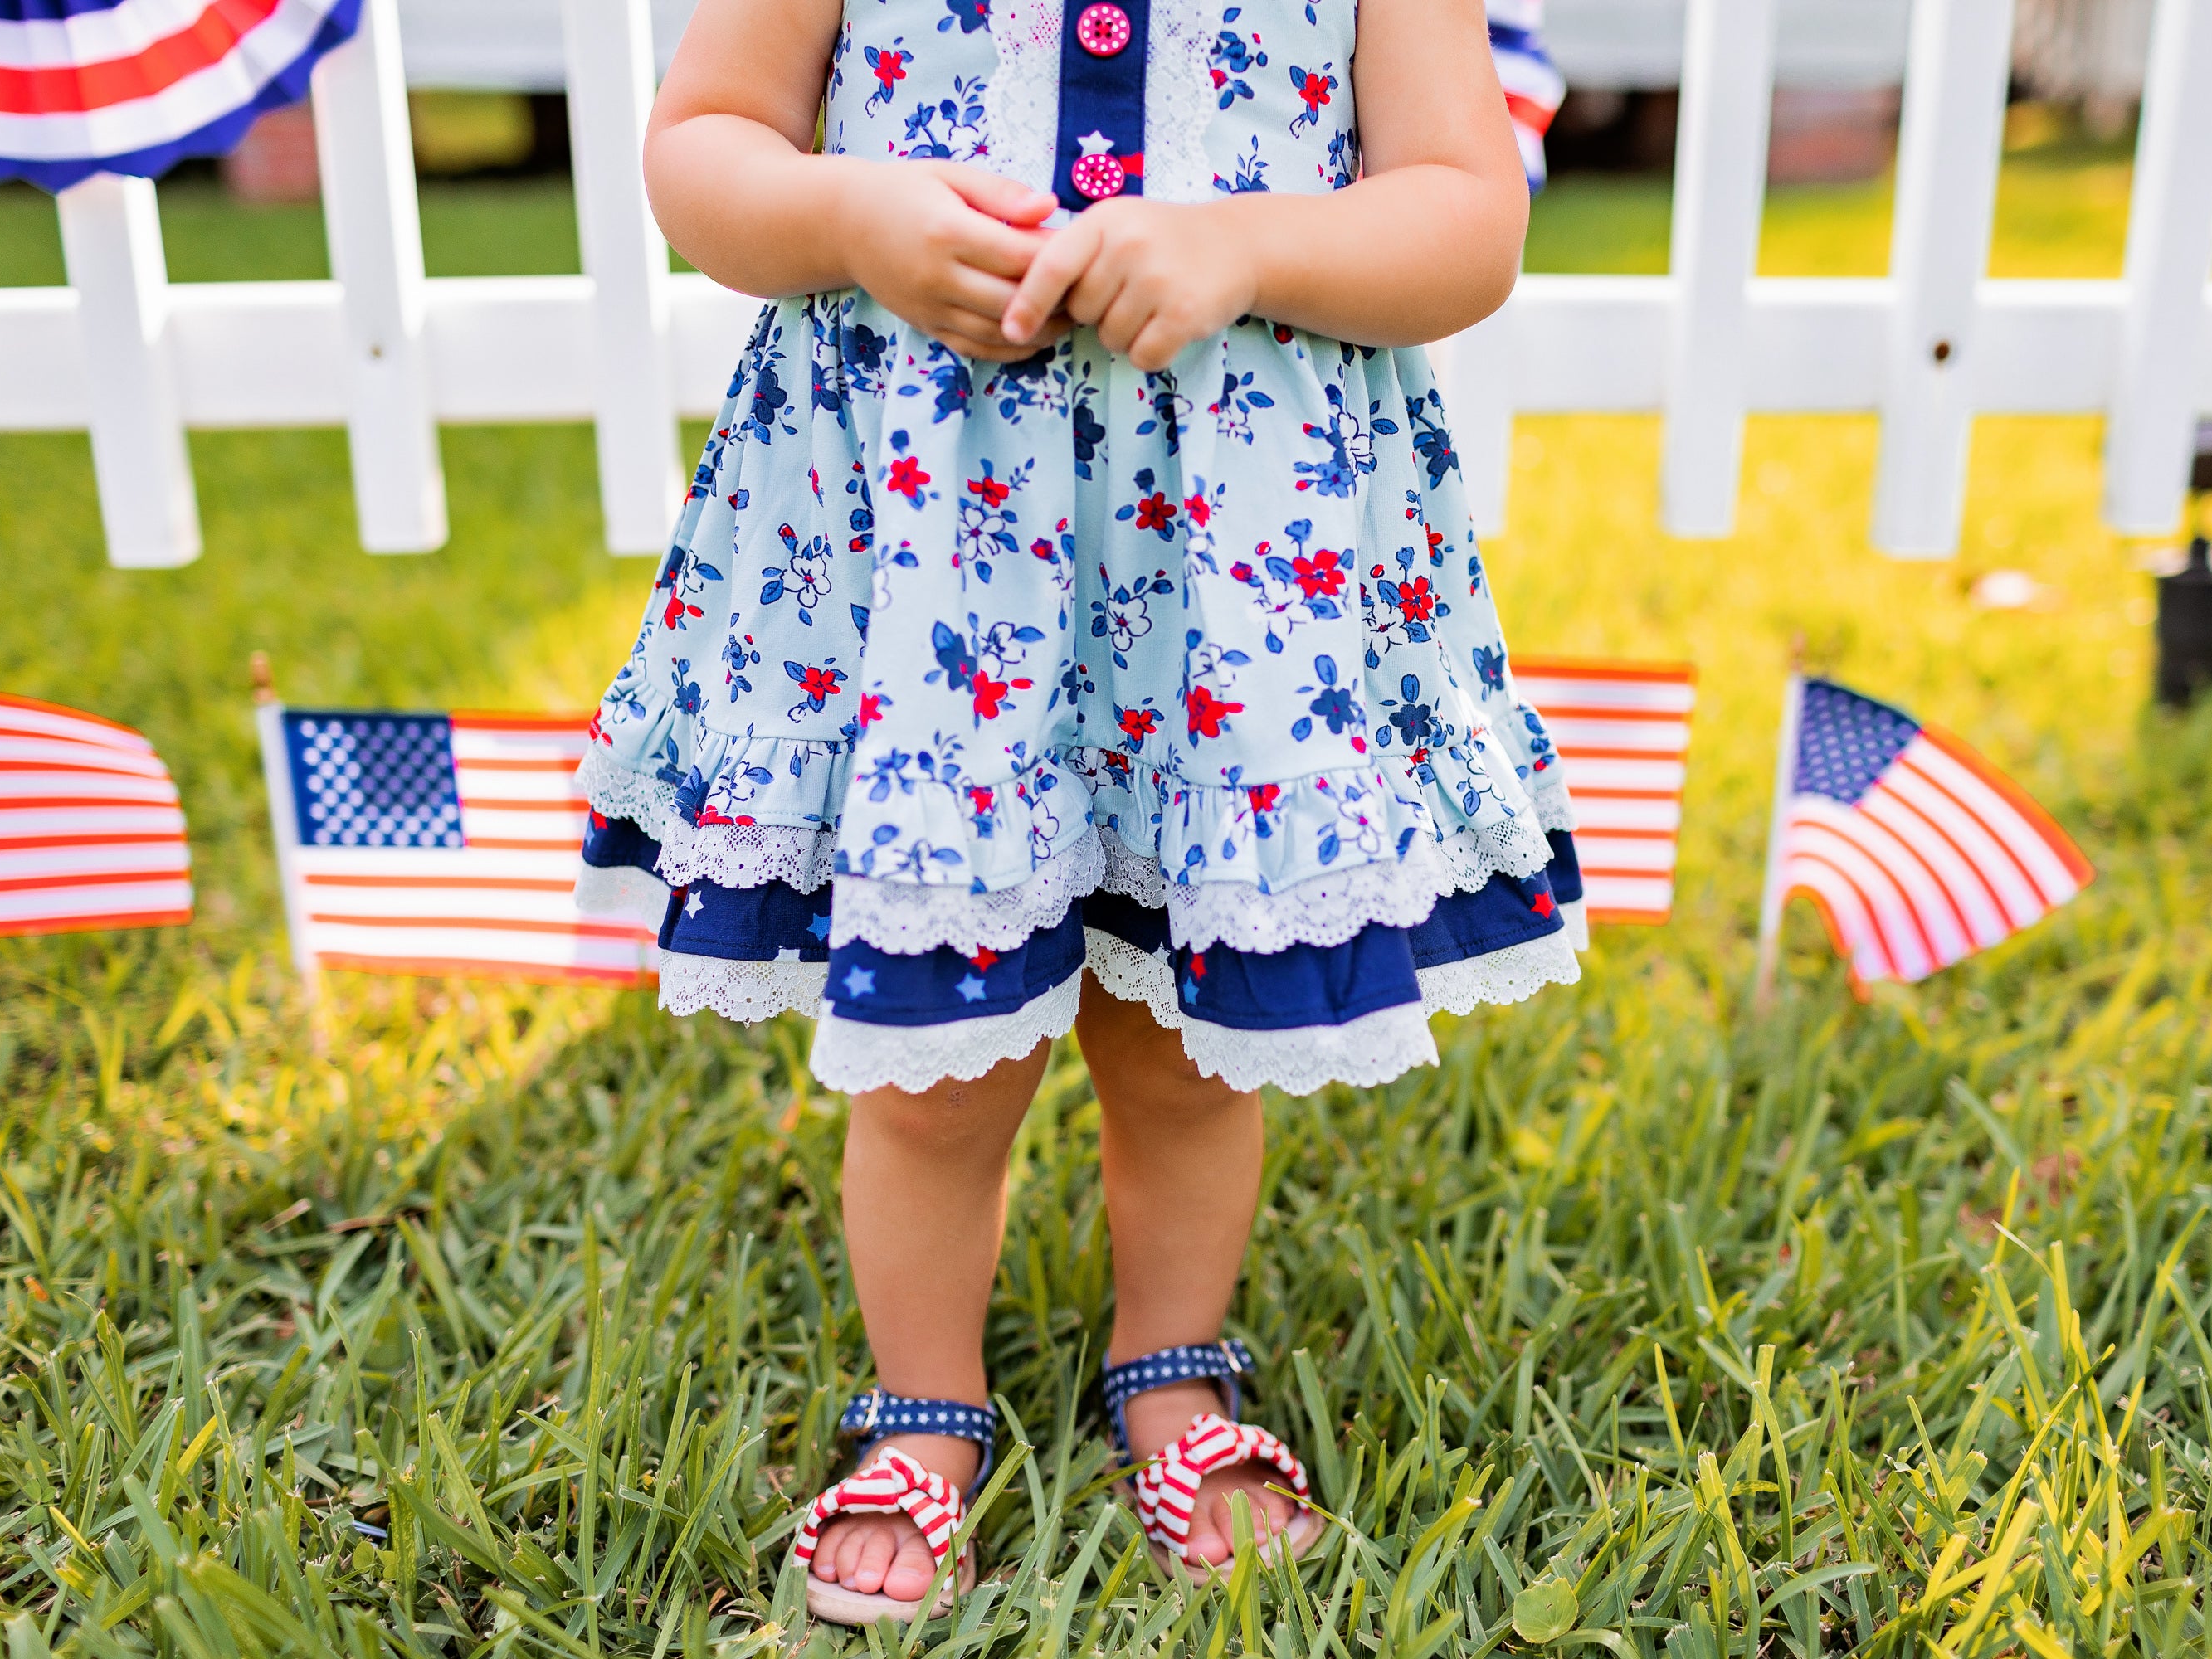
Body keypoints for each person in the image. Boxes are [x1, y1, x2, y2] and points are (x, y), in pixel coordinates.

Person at [573, 0, 1586, 1624]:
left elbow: (1466, 217)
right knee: (941, 1063)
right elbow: (702, 150)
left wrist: (1245, 247)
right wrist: (850, 213)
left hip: (1225, 547)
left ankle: (1170, 1368)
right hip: (938, 545)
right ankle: (924, 1403)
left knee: (1188, 1044)